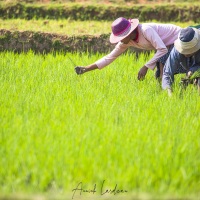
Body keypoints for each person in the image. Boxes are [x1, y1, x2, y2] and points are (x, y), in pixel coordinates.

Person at [75, 17, 181, 80]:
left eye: (120, 37)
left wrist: (145, 67)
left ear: (129, 33)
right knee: (159, 75)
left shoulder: (145, 30)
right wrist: (86, 69)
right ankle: (164, 96)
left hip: (178, 38)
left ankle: (169, 96)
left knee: (163, 70)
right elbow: (109, 57)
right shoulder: (126, 41)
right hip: (166, 46)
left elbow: (162, 49)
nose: (119, 40)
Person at [162, 27, 200, 96]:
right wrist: (169, 92)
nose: (186, 53)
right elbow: (167, 73)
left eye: (189, 50)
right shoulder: (176, 51)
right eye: (184, 50)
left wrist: (193, 70)